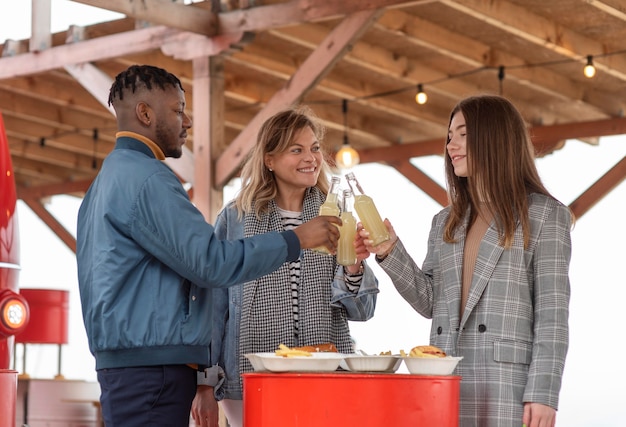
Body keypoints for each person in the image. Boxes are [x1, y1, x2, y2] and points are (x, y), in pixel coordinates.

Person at [75, 65, 342, 427]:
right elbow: (211, 263)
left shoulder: (104, 182)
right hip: (155, 370)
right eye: (178, 109)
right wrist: (295, 240)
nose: (186, 122)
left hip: (128, 364)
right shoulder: (150, 180)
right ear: (145, 113)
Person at [361, 95, 572, 427]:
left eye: (462, 134)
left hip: (507, 385)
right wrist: (390, 250)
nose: (450, 145)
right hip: (447, 380)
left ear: (494, 137)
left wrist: (543, 393)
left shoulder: (544, 215)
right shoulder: (445, 221)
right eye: (449, 136)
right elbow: (430, 302)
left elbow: (552, 315)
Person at [190, 106, 379, 427]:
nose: (311, 158)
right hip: (249, 378)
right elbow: (213, 306)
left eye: (315, 148)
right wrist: (205, 384)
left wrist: (354, 269)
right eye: (297, 149)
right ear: (270, 160)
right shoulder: (236, 218)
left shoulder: (336, 216)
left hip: (326, 375)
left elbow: (362, 311)